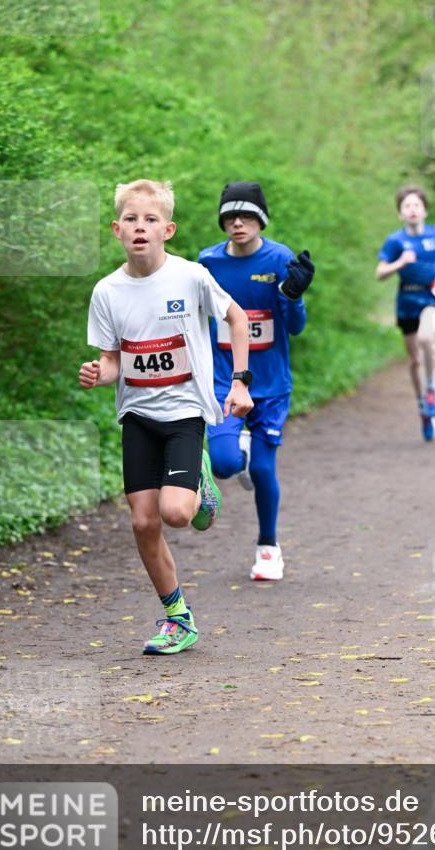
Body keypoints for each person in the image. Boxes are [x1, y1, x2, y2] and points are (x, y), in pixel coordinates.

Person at [78, 179, 252, 655]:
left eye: (150, 220)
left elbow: (236, 319)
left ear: (167, 229)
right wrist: (100, 372)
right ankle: (178, 617)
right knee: (143, 523)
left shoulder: (190, 277)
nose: (140, 227)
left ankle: (200, 484)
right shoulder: (107, 292)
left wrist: (239, 380)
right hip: (137, 413)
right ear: (117, 229)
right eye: (131, 220)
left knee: (177, 513)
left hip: (183, 412)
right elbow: (113, 359)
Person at [198, 181, 313, 581]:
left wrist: (294, 296)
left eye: (246, 215)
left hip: (270, 384)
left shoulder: (279, 258)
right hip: (223, 380)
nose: (237, 222)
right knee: (226, 465)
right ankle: (239, 451)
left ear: (260, 219)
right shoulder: (208, 263)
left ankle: (268, 547)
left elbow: (295, 327)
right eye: (230, 216)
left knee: (264, 470)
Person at [376, 185, 435, 441]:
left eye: (417, 205)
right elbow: (379, 273)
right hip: (406, 300)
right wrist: (400, 263)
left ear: (424, 210)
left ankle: (432, 388)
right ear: (400, 213)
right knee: (414, 360)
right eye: (407, 206)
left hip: (431, 296)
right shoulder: (395, 241)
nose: (412, 210)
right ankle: (424, 408)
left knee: (427, 338)